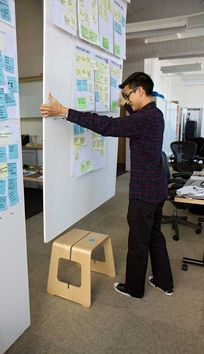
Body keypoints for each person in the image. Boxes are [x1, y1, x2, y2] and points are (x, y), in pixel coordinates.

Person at [40, 71, 174, 299]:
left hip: (144, 194)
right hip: (157, 188)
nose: (126, 100)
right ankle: (164, 281)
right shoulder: (155, 114)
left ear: (140, 90)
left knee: (138, 242)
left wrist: (64, 112)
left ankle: (134, 289)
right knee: (154, 236)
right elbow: (136, 121)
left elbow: (108, 127)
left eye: (127, 95)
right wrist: (128, 106)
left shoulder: (145, 119)